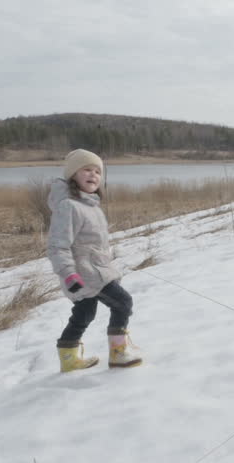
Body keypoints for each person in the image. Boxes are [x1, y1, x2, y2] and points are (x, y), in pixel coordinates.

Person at [46, 149, 142, 372]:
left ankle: (69, 359)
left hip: (96, 269)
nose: (93, 175)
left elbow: (92, 242)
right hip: (84, 274)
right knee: (123, 302)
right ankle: (118, 354)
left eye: (98, 171)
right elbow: (57, 245)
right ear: (73, 176)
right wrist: (68, 273)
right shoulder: (68, 206)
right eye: (86, 170)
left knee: (85, 312)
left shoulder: (90, 205)